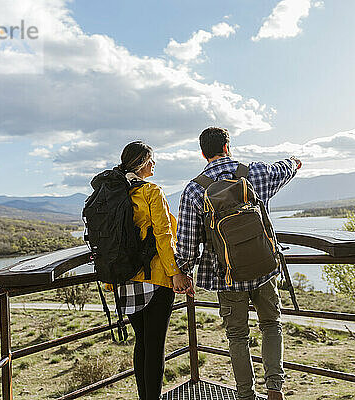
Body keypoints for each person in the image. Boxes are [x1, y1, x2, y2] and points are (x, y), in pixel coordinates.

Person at [175, 127, 302, 400]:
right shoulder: (254, 173)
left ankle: (245, 395)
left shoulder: (194, 190)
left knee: (237, 336)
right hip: (265, 269)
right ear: (227, 147)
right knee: (271, 325)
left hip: (227, 276)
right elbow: (284, 169)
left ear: (202, 153)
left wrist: (183, 272)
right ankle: (275, 390)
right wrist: (294, 162)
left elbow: (186, 245)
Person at [116, 141, 191, 400]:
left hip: (125, 280)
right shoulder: (151, 191)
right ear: (142, 163)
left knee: (142, 344)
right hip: (155, 279)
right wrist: (175, 272)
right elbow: (163, 234)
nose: (154, 164)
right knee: (155, 346)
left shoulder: (116, 192)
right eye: (152, 160)